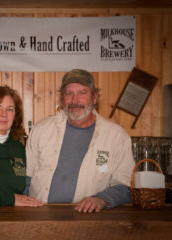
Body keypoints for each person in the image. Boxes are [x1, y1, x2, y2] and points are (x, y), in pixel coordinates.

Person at [26, 69, 135, 213]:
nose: (75, 100)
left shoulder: (117, 136)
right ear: (62, 98)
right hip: (39, 217)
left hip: (88, 221)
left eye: (82, 93)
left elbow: (127, 185)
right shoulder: (41, 129)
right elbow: (26, 180)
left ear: (94, 98)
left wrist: (101, 199)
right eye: (69, 93)